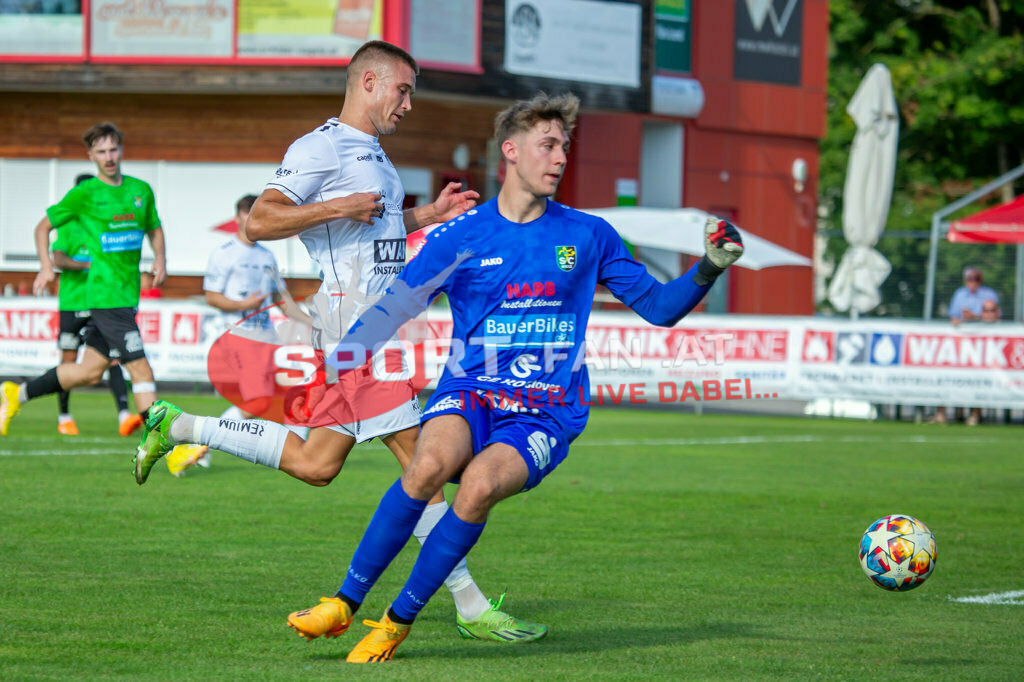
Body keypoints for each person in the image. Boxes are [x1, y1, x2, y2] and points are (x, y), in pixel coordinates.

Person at [207, 91, 743, 663]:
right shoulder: (461, 235)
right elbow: (393, 308)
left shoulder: (589, 234)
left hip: (546, 409)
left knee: (480, 486)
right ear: (511, 151)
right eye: (548, 145)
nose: (560, 157)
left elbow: (659, 308)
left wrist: (709, 267)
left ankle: (394, 623)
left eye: (564, 146)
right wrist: (337, 363)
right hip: (470, 391)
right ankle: (343, 601)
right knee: (428, 466)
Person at [131, 41, 545, 642]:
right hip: (359, 335)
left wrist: (426, 213)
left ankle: (180, 425)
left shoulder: (374, 151)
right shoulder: (320, 147)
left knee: (316, 463)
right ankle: (471, 606)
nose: (409, 103)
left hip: (364, 332)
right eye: (402, 90)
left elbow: (369, 233)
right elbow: (261, 220)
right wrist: (337, 204)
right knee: (423, 463)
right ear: (369, 81)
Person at [0, 122, 207, 469]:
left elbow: (154, 227)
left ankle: (14, 394)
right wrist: (46, 267)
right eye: (101, 152)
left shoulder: (140, 190)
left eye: (113, 150)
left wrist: (160, 257)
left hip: (126, 296)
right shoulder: (85, 194)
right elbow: (43, 227)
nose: (108, 158)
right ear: (91, 156)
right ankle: (174, 451)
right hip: (104, 296)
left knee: (88, 372)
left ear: (121, 150)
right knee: (141, 370)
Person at [181, 193, 313, 474]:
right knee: (261, 401)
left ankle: (301, 450)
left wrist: (309, 321)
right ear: (240, 216)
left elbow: (280, 296)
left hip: (266, 336)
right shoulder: (224, 253)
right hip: (240, 336)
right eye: (252, 215)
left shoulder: (267, 255)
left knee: (282, 394)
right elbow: (212, 297)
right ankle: (199, 441)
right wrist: (244, 305)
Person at [49, 172, 138, 437]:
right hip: (73, 302)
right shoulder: (68, 223)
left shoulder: (105, 222)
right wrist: (90, 265)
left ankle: (124, 415)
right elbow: (59, 259)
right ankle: (64, 416)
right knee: (68, 359)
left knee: (113, 358)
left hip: (102, 302)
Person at [929, 266, 1001, 425]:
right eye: (969, 278)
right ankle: (945, 414)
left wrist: (974, 316)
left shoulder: (989, 294)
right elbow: (953, 316)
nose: (972, 282)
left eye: (975, 278)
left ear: (980, 280)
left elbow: (994, 316)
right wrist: (960, 319)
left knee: (979, 378)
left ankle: (975, 415)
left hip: (983, 345)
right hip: (960, 344)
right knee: (949, 375)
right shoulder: (960, 294)